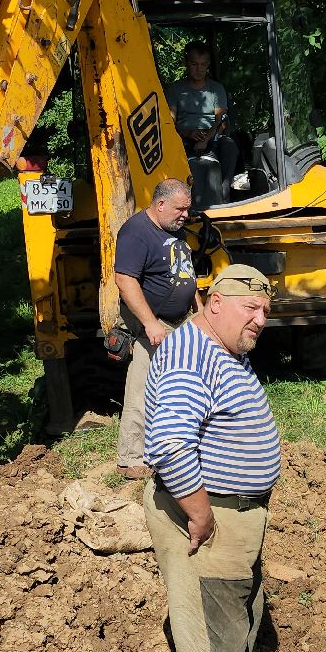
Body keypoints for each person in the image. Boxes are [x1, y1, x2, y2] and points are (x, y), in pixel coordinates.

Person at [142, 264, 280, 652]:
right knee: (211, 636)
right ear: (214, 303)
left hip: (230, 517)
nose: (261, 319)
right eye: (251, 308)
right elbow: (170, 443)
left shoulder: (220, 349)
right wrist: (199, 516)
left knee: (234, 623)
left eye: (265, 310)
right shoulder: (191, 356)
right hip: (211, 519)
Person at [114, 179, 198, 480]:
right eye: (180, 208)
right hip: (155, 324)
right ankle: (131, 458)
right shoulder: (137, 232)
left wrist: (198, 312)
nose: (185, 215)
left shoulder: (173, 229)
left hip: (182, 321)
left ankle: (181, 446)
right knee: (142, 389)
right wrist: (150, 323)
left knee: (186, 387)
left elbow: (185, 272)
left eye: (187, 209)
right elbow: (125, 280)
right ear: (160, 204)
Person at [170, 41, 239, 188]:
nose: (199, 69)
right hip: (182, 139)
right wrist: (188, 133)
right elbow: (170, 121)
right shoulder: (175, 89)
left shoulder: (216, 89)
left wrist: (206, 139)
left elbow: (221, 120)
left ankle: (224, 192)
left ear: (208, 65)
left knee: (229, 146)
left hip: (211, 137)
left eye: (203, 64)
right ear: (186, 63)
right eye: (194, 64)